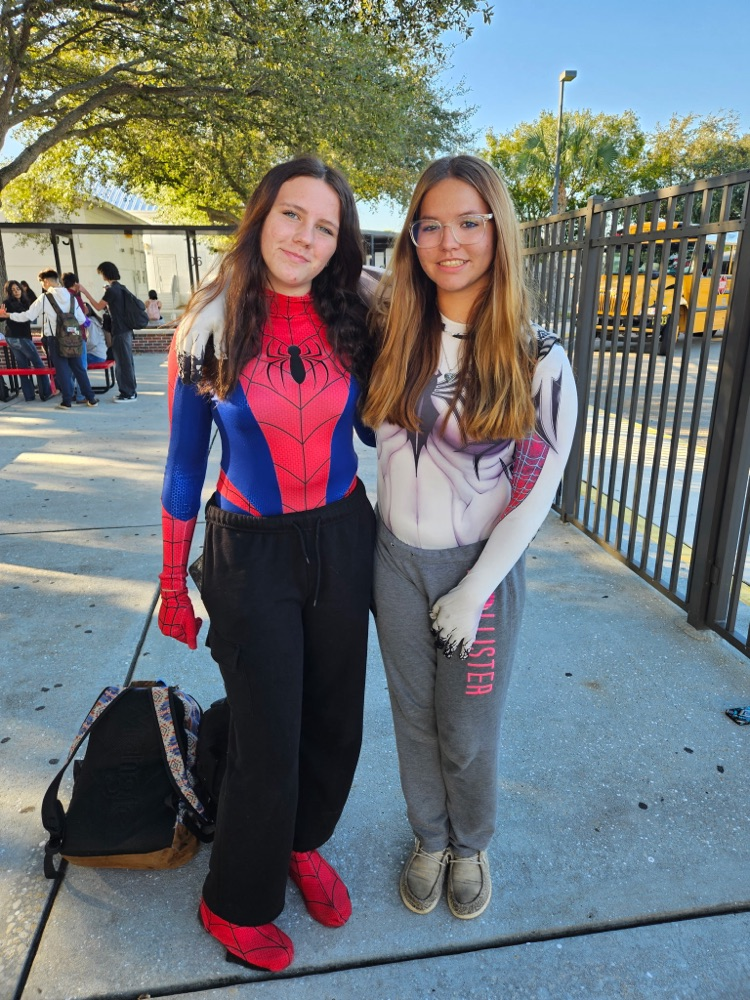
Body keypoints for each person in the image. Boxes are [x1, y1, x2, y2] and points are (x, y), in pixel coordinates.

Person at [158, 156, 376, 973]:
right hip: (249, 553)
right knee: (266, 733)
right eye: (293, 215)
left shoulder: (354, 313)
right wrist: (171, 576)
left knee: (335, 718)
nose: (306, 238)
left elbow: (375, 429)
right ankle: (235, 899)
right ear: (260, 217)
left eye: (326, 227)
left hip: (345, 536)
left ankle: (304, 841)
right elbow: (184, 467)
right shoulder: (209, 324)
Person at [361, 155, 578, 920]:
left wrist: (477, 588)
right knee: (412, 717)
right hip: (393, 560)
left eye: (468, 222)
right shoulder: (395, 321)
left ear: (498, 230)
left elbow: (538, 487)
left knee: (468, 731)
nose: (447, 240)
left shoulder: (538, 356)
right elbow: (288, 264)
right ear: (412, 235)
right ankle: (429, 836)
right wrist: (216, 303)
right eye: (430, 224)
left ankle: (470, 843)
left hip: (478, 574)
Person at [0, 269, 98, 409]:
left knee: (62, 370)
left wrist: (8, 315)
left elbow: (28, 315)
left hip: (55, 339)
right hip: (73, 339)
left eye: (42, 283)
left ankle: (67, 401)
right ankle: (91, 398)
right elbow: (82, 320)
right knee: (79, 369)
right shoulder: (72, 297)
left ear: (46, 281)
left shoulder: (45, 298)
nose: (42, 285)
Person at [79, 262, 138, 401]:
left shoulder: (112, 290)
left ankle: (128, 394)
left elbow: (98, 307)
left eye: (101, 273)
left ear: (105, 273)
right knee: (127, 362)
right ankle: (130, 391)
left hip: (120, 331)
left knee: (123, 364)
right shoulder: (120, 288)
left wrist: (85, 292)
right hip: (126, 330)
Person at [2, 279, 52, 401]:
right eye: (12, 290)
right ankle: (46, 392)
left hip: (16, 337)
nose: (16, 292)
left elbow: (32, 314)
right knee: (38, 364)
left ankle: (29, 395)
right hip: (19, 338)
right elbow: (3, 317)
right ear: (9, 292)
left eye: (18, 289)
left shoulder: (25, 301)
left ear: (22, 289)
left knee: (23, 366)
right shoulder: (7, 303)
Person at [62, 274, 88, 403]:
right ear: (75, 283)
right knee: (81, 366)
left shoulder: (61, 296)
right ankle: (81, 395)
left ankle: (70, 393)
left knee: (70, 367)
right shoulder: (76, 298)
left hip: (63, 337)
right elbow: (82, 317)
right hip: (78, 335)